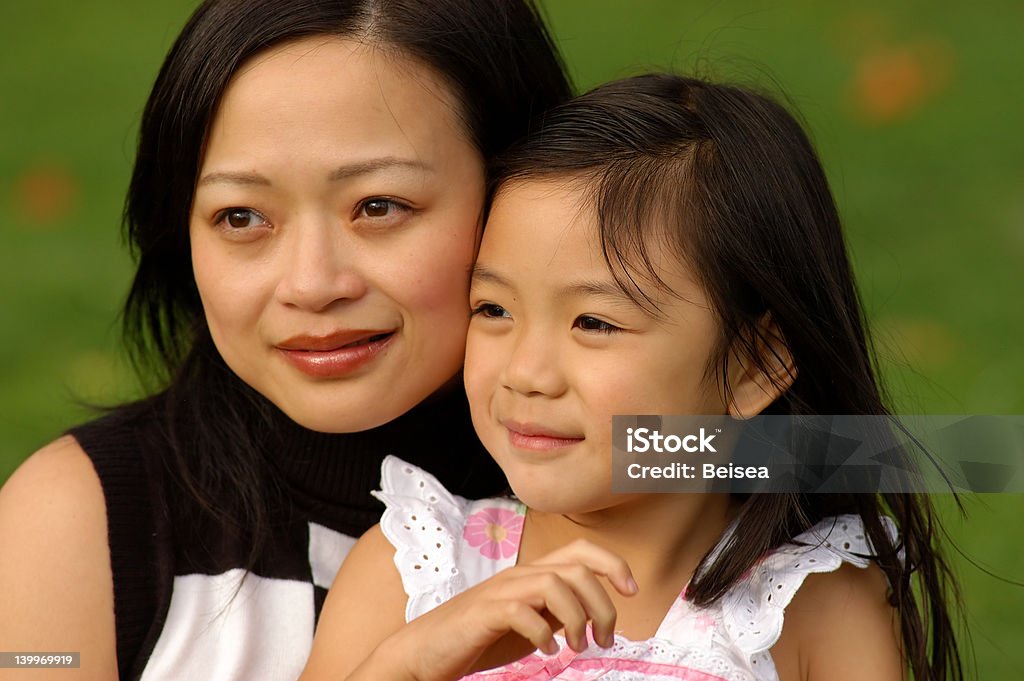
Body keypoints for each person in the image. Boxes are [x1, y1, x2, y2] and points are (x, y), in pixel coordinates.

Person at [300, 74, 964, 681]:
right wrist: (409, 666)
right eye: (493, 308)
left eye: (593, 322)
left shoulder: (812, 606)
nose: (526, 373)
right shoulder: (414, 572)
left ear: (755, 365)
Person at [0, 1, 571, 679]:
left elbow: (731, 451)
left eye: (379, 206)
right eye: (241, 216)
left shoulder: (654, 454)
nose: (311, 283)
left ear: (524, 189)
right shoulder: (74, 521)